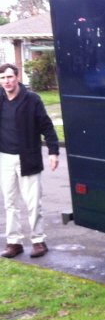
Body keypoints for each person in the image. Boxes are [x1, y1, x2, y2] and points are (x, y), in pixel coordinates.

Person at [0, 63, 59, 258]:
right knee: (10, 203)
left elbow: (47, 126)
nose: (6, 81)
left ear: (17, 77)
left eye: (9, 77)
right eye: (2, 78)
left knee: (33, 203)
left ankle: (38, 240)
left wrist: (53, 151)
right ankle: (14, 243)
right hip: (5, 158)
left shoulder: (32, 99)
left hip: (28, 158)